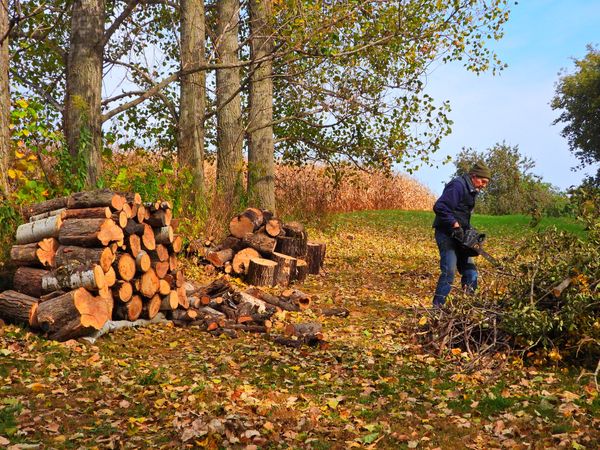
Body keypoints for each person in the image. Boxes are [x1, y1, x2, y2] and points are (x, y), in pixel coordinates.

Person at [432, 162, 491, 306]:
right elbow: (440, 207)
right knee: (449, 272)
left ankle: (468, 307)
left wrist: (468, 231)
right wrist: (454, 224)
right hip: (446, 234)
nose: (484, 185)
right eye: (482, 181)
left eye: (486, 183)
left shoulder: (471, 189)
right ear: (474, 176)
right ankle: (437, 308)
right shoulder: (457, 185)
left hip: (460, 236)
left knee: (471, 273)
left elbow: (461, 213)